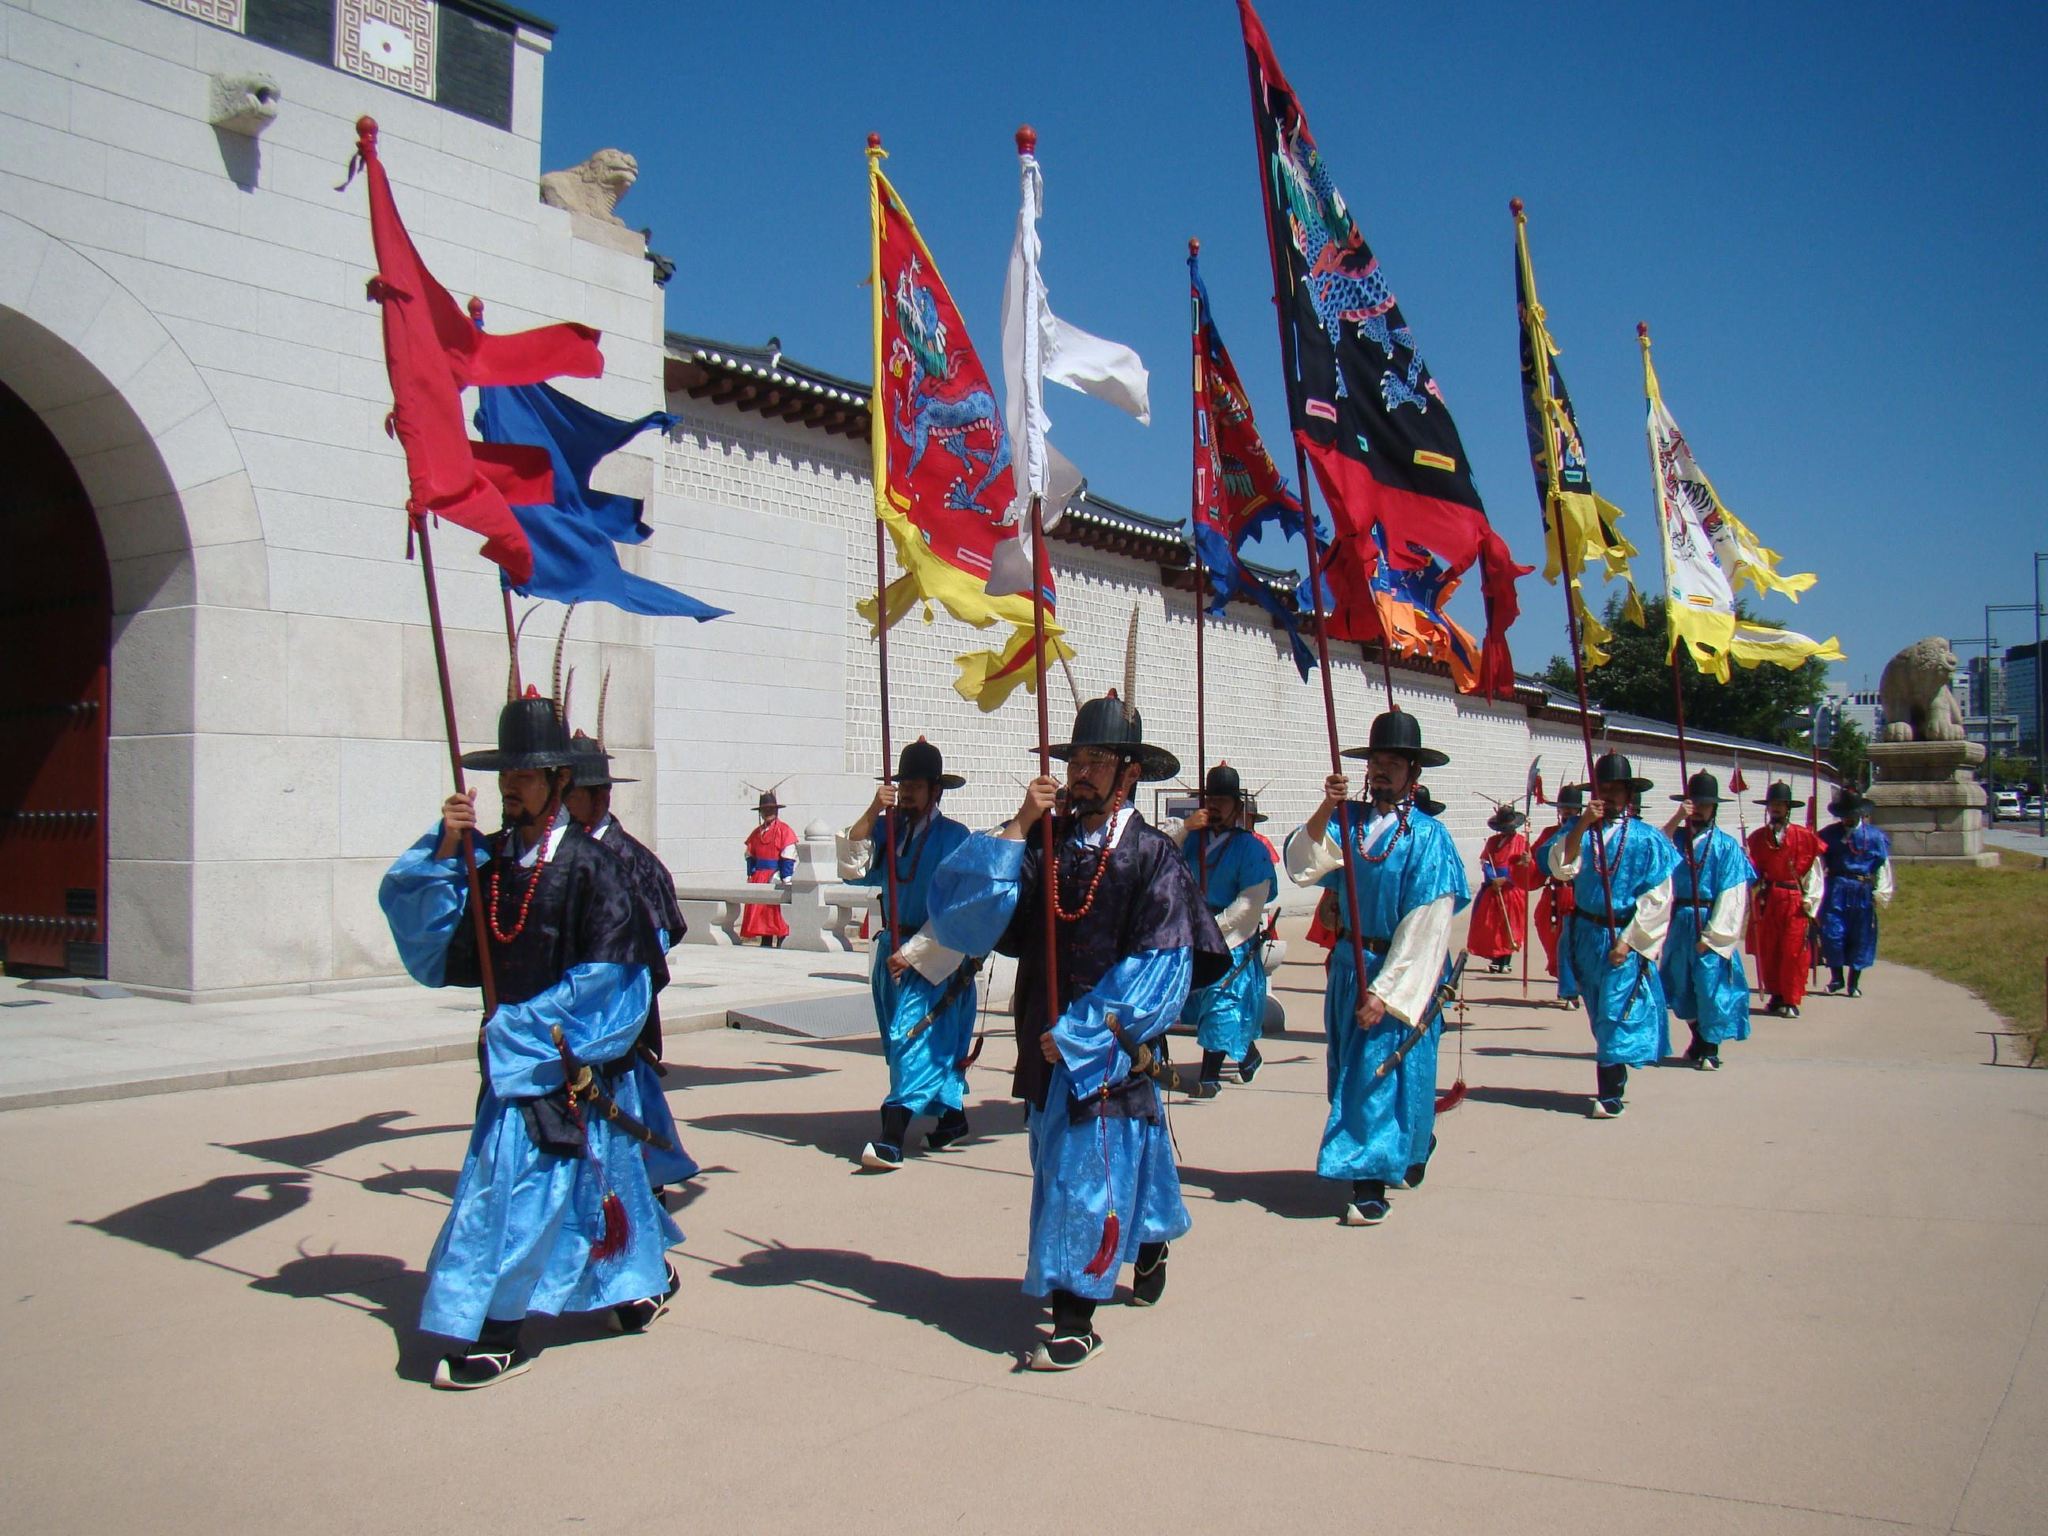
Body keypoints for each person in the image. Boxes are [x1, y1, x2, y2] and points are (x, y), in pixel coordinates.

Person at [379, 696, 681, 1390]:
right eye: (503, 776)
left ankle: (495, 1328)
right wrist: (444, 852)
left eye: (526, 775)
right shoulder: (488, 864)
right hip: (514, 1069)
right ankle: (637, 1282)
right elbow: (432, 949)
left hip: (562, 1067)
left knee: (520, 1197)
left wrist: (525, 1030)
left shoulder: (597, 869)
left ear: (558, 783)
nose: (509, 788)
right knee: (574, 1197)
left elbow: (617, 983)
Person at [927, 691, 1227, 1371]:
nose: (1083, 771)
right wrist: (1017, 829)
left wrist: (1086, 1034)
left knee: (1082, 1174)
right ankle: (1148, 1239)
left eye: (1100, 760)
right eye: (1078, 758)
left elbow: (1164, 962)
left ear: (1131, 775)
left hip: (1107, 1040)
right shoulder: (1045, 842)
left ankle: (1074, 1315)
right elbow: (968, 915)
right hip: (1043, 1031)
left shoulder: (1154, 857)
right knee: (1090, 1157)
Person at [1284, 711, 1468, 1226]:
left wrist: (1388, 991)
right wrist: (1328, 804)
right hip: (1348, 966)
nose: (1382, 771)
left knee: (1376, 1073)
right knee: (1349, 1070)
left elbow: (1428, 923)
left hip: (1397, 968)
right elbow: (1303, 864)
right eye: (1377, 762)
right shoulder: (1351, 824)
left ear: (1415, 774)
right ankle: (1409, 1141)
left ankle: (1367, 1185)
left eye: (1394, 763)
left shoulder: (1430, 838)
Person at [563, 731, 698, 1194]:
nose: (562, 801)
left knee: (624, 1098)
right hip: (569, 1007)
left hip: (619, 1007)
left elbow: (661, 933)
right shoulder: (562, 855)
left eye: (570, 791)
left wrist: (616, 986)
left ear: (599, 795)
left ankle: (644, 1183)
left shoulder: (633, 860)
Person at [838, 737, 978, 1170]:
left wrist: (916, 953)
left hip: (935, 953)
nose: (909, 792)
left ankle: (891, 1135)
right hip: (890, 950)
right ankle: (952, 1118)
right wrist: (872, 810)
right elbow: (852, 866)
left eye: (918, 784)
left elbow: (960, 907)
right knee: (908, 1041)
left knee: (911, 1038)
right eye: (905, 784)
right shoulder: (889, 828)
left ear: (937, 789)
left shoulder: (956, 837)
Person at [1547, 752, 1679, 1118]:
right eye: (1603, 789)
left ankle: (1610, 1092)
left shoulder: (1647, 839)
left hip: (1623, 932)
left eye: (1616, 790)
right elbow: (1562, 869)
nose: (1610, 796)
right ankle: (1612, 1073)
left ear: (1629, 795)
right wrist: (1580, 823)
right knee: (1597, 1011)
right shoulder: (1582, 831)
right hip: (1586, 933)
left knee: (1614, 1013)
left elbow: (1658, 896)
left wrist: (1629, 940)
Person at [1167, 763, 1278, 1097]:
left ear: (1238, 806)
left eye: (1223, 800)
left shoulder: (1252, 848)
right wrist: (1186, 828)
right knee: (1202, 1006)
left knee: (1221, 1003)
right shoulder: (1191, 839)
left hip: (1230, 936)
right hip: (1191, 932)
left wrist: (1212, 929)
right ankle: (1248, 1058)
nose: (1215, 806)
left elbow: (1249, 902)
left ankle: (1208, 1077)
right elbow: (1155, 851)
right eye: (1210, 798)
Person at [1658, 772, 1757, 1070]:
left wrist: (1715, 935)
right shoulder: (1676, 839)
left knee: (1711, 986)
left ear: (1715, 808)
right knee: (1679, 983)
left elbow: (1733, 893)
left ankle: (1710, 1046)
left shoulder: (1726, 846)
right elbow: (1656, 853)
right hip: (1681, 919)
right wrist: (1677, 818)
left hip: (1711, 918)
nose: (1699, 809)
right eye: (1694, 803)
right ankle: (1698, 1038)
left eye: (1705, 804)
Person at [1746, 782, 1824, 1018]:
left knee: (1793, 951)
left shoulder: (1803, 837)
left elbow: (1814, 871)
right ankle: (1776, 994)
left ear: (1788, 808)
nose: (1776, 809)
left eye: (1780, 805)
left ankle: (1791, 998)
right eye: (1773, 805)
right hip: (1768, 899)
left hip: (1793, 899)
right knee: (1770, 949)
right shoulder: (1758, 838)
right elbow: (1754, 871)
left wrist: (1811, 900)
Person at [1818, 791, 1892, 997]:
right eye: (1844, 816)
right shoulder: (1828, 835)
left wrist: (1881, 892)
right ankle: (1837, 977)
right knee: (1833, 933)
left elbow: (1883, 866)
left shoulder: (1875, 837)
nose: (1847, 820)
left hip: (1862, 889)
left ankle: (1854, 981)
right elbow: (1817, 862)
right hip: (1836, 888)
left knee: (1861, 936)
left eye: (1851, 815)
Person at [1528, 787, 1585, 1008]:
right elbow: (1536, 866)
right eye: (1564, 809)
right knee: (1553, 940)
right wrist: (1526, 862)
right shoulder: (1549, 833)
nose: (1567, 813)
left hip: (1579, 895)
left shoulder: (1587, 831)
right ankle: (1567, 983)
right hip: (1553, 895)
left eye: (1572, 809)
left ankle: (1571, 990)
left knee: (1570, 944)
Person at [1467, 805, 1531, 974]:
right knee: (1494, 925)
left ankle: (1506, 960)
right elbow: (1486, 862)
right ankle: (1496, 958)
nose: (1506, 832)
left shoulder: (1522, 842)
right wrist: (1492, 877)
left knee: (1510, 924)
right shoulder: (1492, 842)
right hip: (1493, 888)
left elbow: (1524, 866)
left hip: (1512, 889)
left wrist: (1507, 878)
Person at [740, 789, 796, 948]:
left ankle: (781, 942)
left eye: (771, 809)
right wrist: (751, 873)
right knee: (762, 915)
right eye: (765, 810)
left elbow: (788, 855)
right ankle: (765, 941)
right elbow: (750, 855)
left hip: (776, 875)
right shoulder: (756, 833)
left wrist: (786, 877)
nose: (768, 812)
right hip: (760, 877)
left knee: (776, 914)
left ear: (777, 811)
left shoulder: (784, 830)